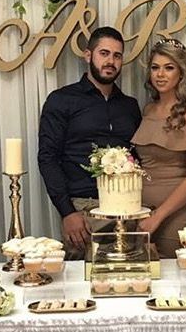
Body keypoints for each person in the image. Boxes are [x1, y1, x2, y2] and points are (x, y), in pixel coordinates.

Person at [38, 26, 142, 257]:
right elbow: (48, 158)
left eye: (117, 55)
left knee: (127, 280)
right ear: (88, 55)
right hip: (82, 211)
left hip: (125, 208)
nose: (111, 61)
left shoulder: (130, 106)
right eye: (104, 53)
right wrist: (67, 212)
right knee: (81, 284)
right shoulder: (61, 100)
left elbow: (137, 156)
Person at [132, 39, 186, 257]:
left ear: (182, 73)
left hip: (178, 218)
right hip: (141, 216)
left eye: (169, 68)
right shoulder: (148, 110)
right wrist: (143, 216)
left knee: (178, 286)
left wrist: (158, 216)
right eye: (155, 68)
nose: (160, 74)